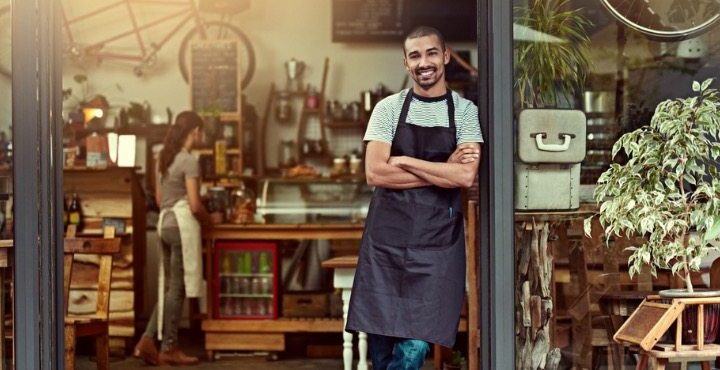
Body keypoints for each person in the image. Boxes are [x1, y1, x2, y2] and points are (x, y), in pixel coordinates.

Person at [345, 26, 483, 370]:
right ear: (406, 63)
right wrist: (440, 172)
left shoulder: (465, 112)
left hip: (436, 247)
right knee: (382, 347)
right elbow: (376, 173)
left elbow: (465, 176)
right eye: (415, 55)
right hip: (386, 244)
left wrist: (404, 160)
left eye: (431, 53)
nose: (425, 62)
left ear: (446, 56)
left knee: (415, 346)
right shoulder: (387, 109)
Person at [133, 111, 213, 366]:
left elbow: (159, 200)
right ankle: (168, 347)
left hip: (163, 225)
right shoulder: (189, 161)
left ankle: (147, 339)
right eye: (201, 131)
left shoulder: (163, 159)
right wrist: (211, 221)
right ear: (195, 132)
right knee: (176, 289)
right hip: (180, 227)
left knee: (169, 288)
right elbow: (194, 205)